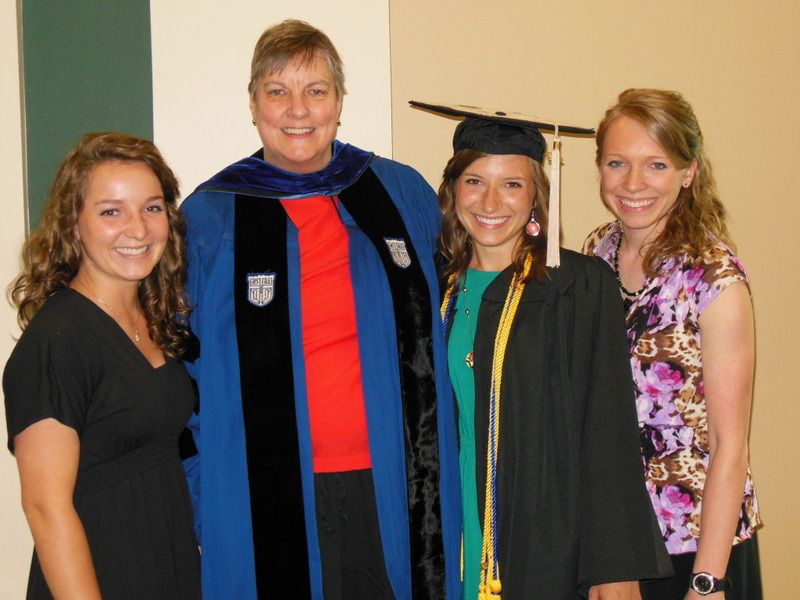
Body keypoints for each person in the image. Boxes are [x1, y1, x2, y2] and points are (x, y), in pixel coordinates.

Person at [180, 20, 460, 600]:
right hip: (262, 490)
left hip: (395, 482)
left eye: (316, 90)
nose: (298, 110)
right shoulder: (210, 218)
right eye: (277, 91)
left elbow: (462, 294)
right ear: (252, 104)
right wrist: (200, 492)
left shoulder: (398, 192)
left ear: (339, 101)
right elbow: (179, 370)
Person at [417, 101, 672, 599]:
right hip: (451, 519)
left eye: (512, 184)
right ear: (452, 191)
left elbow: (607, 431)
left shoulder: (578, 286)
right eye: (474, 181)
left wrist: (613, 567)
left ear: (536, 195)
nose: (491, 201)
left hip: (546, 530)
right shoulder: (433, 286)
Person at [3, 132, 200, 599]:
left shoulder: (153, 318)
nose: (138, 229)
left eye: (152, 208)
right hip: (101, 576)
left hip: (165, 566)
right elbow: (45, 507)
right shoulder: (59, 339)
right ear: (73, 225)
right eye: (111, 211)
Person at [583, 88, 763, 599]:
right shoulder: (596, 252)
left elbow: (730, 445)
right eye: (617, 162)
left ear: (688, 172)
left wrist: (707, 583)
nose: (633, 183)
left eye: (656, 164)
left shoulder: (713, 278)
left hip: (698, 548)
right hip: (617, 542)